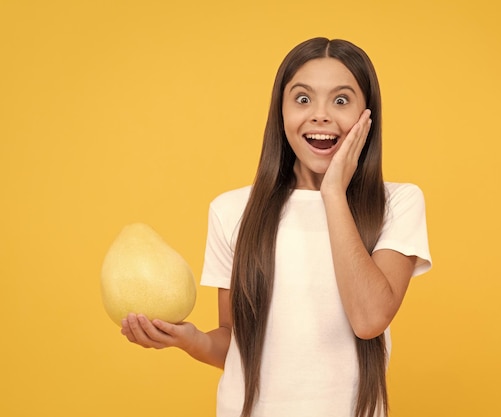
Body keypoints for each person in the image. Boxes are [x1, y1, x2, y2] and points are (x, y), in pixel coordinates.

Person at [121, 37, 432, 417]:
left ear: (368, 114)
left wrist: (333, 192)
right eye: (303, 99)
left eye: (340, 100)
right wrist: (193, 340)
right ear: (280, 113)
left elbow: (369, 319)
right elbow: (236, 345)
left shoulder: (397, 203)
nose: (320, 115)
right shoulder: (232, 210)